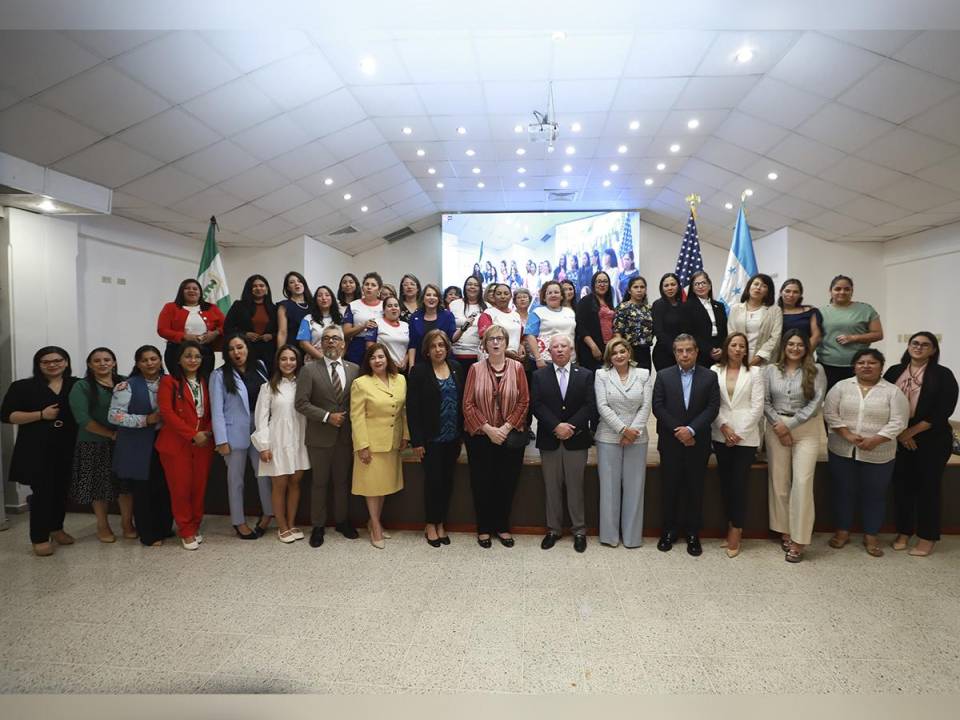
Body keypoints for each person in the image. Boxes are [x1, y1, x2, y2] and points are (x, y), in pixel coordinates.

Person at [824, 349, 909, 558]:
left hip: (879, 453)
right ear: (854, 366)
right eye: (861, 362)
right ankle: (842, 531)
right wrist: (847, 434)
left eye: (872, 363)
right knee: (843, 492)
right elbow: (829, 412)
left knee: (875, 495)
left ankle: (871, 535)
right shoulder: (841, 387)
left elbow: (899, 421)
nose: (866, 366)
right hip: (842, 449)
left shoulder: (892, 391)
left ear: (881, 366)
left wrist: (876, 439)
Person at [884, 332, 958, 556]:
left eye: (925, 345)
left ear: (933, 350)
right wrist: (900, 434)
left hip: (932, 437)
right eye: (915, 343)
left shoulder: (943, 375)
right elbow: (883, 402)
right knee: (903, 486)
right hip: (900, 434)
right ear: (908, 346)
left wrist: (911, 432)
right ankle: (904, 531)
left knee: (928, 487)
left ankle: (927, 536)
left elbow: (944, 409)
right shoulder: (894, 371)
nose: (919, 347)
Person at [1, 347, 78, 556]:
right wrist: (41, 415)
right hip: (36, 449)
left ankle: (57, 528)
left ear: (66, 362)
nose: (52, 365)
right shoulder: (23, 387)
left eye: (57, 360)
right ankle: (40, 537)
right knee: (43, 493)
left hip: (67, 447)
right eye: (46, 362)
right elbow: (8, 416)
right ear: (38, 364)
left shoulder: (76, 384)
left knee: (62, 491)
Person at [652, 334, 721, 557]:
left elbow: (712, 408)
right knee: (669, 487)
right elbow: (658, 407)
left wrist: (691, 430)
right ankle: (668, 531)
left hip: (697, 442)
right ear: (674, 353)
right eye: (680, 350)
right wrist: (679, 431)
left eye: (689, 350)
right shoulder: (663, 376)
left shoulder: (709, 376)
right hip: (671, 442)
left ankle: (693, 533)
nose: (684, 354)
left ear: (696, 351)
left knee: (695, 488)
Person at [462, 324, 529, 548]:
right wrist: (489, 429)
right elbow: (468, 404)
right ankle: (483, 528)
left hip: (509, 437)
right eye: (491, 339)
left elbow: (524, 401)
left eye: (500, 338)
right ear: (485, 344)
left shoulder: (518, 368)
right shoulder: (475, 369)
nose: (496, 342)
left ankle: (502, 526)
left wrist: (506, 427)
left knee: (506, 483)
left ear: (506, 341)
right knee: (482, 483)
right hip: (481, 437)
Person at [764, 330, 827, 563]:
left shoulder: (817, 370)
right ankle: (785, 531)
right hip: (775, 427)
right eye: (790, 344)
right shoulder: (770, 370)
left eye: (800, 344)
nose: (795, 348)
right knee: (779, 482)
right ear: (784, 346)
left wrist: (789, 425)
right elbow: (765, 401)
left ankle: (800, 539)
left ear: (806, 348)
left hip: (806, 429)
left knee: (802, 482)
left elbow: (816, 400)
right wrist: (778, 425)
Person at [294, 324, 360, 547]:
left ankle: (342, 521)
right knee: (319, 483)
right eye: (326, 339)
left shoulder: (355, 369)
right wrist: (326, 416)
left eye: (335, 338)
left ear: (343, 344)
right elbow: (301, 403)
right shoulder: (309, 370)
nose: (331, 342)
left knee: (342, 482)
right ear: (321, 344)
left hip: (346, 437)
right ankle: (318, 526)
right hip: (320, 437)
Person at [533, 334, 597, 553]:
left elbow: (590, 406)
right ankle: (554, 530)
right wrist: (556, 426)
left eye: (563, 346)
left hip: (576, 439)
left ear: (572, 351)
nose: (559, 350)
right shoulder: (539, 375)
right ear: (548, 352)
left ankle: (579, 531)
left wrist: (570, 426)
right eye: (555, 347)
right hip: (549, 439)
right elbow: (537, 405)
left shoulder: (586, 375)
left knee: (575, 487)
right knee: (551, 487)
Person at [210, 335, 273, 540]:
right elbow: (217, 410)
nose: (237, 352)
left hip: (259, 430)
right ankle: (239, 521)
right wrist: (221, 440)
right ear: (226, 354)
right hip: (233, 433)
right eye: (231, 349)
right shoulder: (219, 375)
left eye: (240, 347)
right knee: (235, 480)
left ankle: (268, 514)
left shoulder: (261, 366)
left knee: (263, 475)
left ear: (247, 347)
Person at [109, 345, 172, 547]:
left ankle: (164, 528)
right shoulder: (126, 386)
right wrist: (145, 420)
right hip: (139, 444)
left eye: (154, 359)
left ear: (160, 360)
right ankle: (149, 534)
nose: (150, 363)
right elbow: (114, 416)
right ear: (137, 364)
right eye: (145, 360)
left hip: (165, 441)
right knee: (143, 490)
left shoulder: (170, 382)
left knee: (164, 487)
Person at [407, 330, 465, 547]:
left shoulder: (457, 368)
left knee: (448, 482)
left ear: (447, 347)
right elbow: (413, 409)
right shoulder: (419, 372)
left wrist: (461, 436)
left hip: (452, 438)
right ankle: (430, 524)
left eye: (442, 345)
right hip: (430, 440)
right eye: (434, 346)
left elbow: (462, 403)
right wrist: (418, 441)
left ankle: (441, 523)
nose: (438, 349)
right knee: (433, 483)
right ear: (427, 350)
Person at [68, 347, 132, 543]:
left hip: (123, 443)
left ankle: (127, 523)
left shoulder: (125, 382)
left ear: (113, 362)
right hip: (93, 443)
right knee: (99, 487)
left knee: (126, 486)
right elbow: (82, 418)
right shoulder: (82, 386)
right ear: (90, 364)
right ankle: (102, 526)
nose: (103, 363)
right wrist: (110, 434)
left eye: (107, 359)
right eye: (97, 360)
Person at [594, 337, 652, 548]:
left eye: (622, 351)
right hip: (609, 436)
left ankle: (631, 537)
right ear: (609, 356)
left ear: (629, 353)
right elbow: (602, 406)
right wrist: (622, 430)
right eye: (614, 352)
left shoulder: (644, 374)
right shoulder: (601, 375)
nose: (619, 355)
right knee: (608, 488)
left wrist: (632, 432)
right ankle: (609, 537)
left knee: (635, 488)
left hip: (637, 438)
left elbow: (646, 406)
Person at [350, 343, 409, 549]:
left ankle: (373, 520)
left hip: (392, 442)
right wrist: (362, 446)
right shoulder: (361, 383)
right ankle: (375, 525)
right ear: (368, 361)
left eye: (381, 357)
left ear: (387, 358)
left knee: (383, 486)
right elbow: (356, 417)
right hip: (372, 443)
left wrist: (405, 436)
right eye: (373, 357)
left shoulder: (400, 379)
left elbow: (403, 411)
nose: (378, 361)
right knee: (372, 488)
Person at [710, 333, 764, 558]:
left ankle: (737, 529)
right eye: (734, 344)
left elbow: (757, 406)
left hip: (746, 436)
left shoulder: (755, 372)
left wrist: (739, 433)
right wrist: (723, 426)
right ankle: (729, 524)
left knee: (739, 483)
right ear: (726, 347)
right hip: (721, 433)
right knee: (725, 482)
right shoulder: (715, 371)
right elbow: (712, 402)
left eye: (742, 346)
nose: (738, 349)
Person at [156, 341, 213, 551]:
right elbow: (167, 413)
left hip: (203, 443)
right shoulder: (169, 382)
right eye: (188, 356)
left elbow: (214, 409)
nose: (193, 360)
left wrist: (206, 432)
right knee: (180, 489)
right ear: (178, 359)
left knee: (199, 488)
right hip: (176, 444)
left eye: (197, 356)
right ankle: (185, 529)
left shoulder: (206, 381)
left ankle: (195, 525)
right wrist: (192, 434)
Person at [252, 345, 311, 544]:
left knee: (295, 482)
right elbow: (261, 419)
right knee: (280, 484)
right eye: (284, 359)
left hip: (299, 439)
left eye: (292, 359)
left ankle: (292, 523)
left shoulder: (303, 384)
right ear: (277, 362)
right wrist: (264, 446)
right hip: (277, 441)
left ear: (298, 361)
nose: (288, 363)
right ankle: (282, 526)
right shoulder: (268, 387)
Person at [818, 274, 883, 390]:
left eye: (846, 289)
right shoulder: (821, 312)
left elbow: (878, 334)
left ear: (852, 291)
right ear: (830, 291)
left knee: (854, 400)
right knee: (829, 401)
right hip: (826, 365)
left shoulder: (866, 309)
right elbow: (814, 337)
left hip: (857, 366)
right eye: (837, 289)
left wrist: (853, 338)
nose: (842, 292)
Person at [157, 278, 224, 376]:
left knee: (205, 381)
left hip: (205, 352)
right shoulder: (170, 307)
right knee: (180, 382)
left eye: (195, 288)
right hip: (177, 351)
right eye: (187, 288)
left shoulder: (211, 308)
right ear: (181, 292)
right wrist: (184, 336)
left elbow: (226, 325)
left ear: (200, 292)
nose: (191, 290)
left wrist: (215, 333)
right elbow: (162, 329)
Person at [224, 274, 278, 374]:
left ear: (266, 289)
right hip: (246, 351)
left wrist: (271, 336)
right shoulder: (239, 306)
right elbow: (228, 327)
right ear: (249, 289)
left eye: (262, 286)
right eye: (255, 286)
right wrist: (245, 335)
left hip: (268, 352)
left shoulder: (275, 308)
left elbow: (280, 331)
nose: (258, 288)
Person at [726, 273, 782, 367]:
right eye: (756, 284)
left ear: (768, 291)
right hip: (738, 357)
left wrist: (759, 357)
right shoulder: (736, 308)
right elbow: (731, 333)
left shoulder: (775, 310)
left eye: (764, 286)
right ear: (749, 287)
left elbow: (775, 337)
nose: (758, 288)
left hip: (764, 360)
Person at [524, 280, 578, 369]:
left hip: (569, 360)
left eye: (556, 292)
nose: (553, 295)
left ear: (561, 296)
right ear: (544, 297)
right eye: (549, 293)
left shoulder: (570, 312)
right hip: (545, 362)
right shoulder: (537, 312)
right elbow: (530, 336)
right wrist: (538, 358)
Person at [684, 271, 727, 367]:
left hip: (720, 354)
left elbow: (724, 330)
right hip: (700, 353)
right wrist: (709, 350)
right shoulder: (687, 307)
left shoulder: (719, 306)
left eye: (703, 283)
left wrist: (721, 349)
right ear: (693, 288)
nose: (700, 286)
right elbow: (689, 333)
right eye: (697, 284)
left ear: (709, 286)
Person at [406, 284, 456, 368]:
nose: (431, 298)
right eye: (428, 295)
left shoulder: (447, 315)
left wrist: (463, 329)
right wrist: (411, 367)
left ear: (439, 299)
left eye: (435, 295)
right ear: (423, 298)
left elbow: (452, 338)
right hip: (421, 363)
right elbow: (412, 344)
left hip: (443, 363)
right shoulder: (415, 317)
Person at [575, 270, 616, 371]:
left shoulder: (609, 302)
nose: (602, 284)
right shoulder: (586, 301)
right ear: (593, 284)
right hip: (591, 349)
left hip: (608, 349)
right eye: (599, 281)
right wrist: (593, 347)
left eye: (605, 282)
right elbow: (581, 327)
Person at [342, 271, 385, 365]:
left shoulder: (385, 306)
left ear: (379, 289)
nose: (369, 287)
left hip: (379, 345)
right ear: (362, 288)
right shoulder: (353, 305)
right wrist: (363, 326)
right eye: (366, 284)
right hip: (357, 347)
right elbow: (345, 333)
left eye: (373, 285)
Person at [613, 275, 653, 370]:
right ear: (629, 290)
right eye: (635, 287)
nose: (639, 290)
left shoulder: (649, 308)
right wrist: (622, 352)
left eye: (642, 287)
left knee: (645, 380)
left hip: (645, 351)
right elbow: (617, 332)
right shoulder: (623, 307)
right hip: (629, 350)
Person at [477, 283, 525, 361]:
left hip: (514, 359)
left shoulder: (516, 315)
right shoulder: (488, 313)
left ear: (510, 297)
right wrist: (506, 352)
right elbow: (486, 339)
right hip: (493, 359)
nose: (503, 296)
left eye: (506, 294)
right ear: (494, 297)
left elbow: (519, 336)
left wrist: (521, 346)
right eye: (499, 294)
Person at [449, 275, 486, 375]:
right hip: (456, 354)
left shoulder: (487, 307)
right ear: (465, 287)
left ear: (480, 288)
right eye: (469, 284)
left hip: (479, 355)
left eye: (475, 285)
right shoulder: (454, 304)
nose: (472, 287)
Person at [296, 285, 343, 362]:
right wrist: (324, 360)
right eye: (320, 296)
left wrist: (339, 359)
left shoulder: (340, 318)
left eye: (327, 295)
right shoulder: (308, 318)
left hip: (337, 360)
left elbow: (345, 341)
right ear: (315, 300)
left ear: (332, 299)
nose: (324, 298)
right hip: (315, 361)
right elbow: (303, 343)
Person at [651, 273, 685, 371]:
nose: (670, 288)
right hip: (664, 354)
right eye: (666, 285)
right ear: (662, 288)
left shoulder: (683, 305)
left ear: (678, 286)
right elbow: (659, 332)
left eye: (673, 284)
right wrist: (676, 351)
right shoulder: (658, 305)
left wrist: (682, 351)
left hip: (683, 353)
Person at [369, 295, 410, 372]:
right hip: (382, 368)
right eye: (389, 306)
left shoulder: (406, 325)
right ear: (384, 310)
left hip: (402, 369)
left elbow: (410, 348)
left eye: (396, 305)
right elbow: (370, 346)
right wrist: (389, 363)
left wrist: (405, 362)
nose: (393, 308)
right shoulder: (376, 323)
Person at [778, 278, 822, 349]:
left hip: (805, 355)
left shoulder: (811, 311)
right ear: (780, 292)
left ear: (800, 295)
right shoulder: (773, 313)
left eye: (795, 292)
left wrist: (803, 354)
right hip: (779, 356)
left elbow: (816, 336)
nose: (791, 295)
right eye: (787, 291)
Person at [275, 271, 312, 349]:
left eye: (299, 281)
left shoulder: (313, 304)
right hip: (293, 349)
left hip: (313, 348)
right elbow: (282, 332)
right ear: (288, 287)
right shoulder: (284, 306)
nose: (297, 284)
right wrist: (280, 353)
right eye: (292, 282)